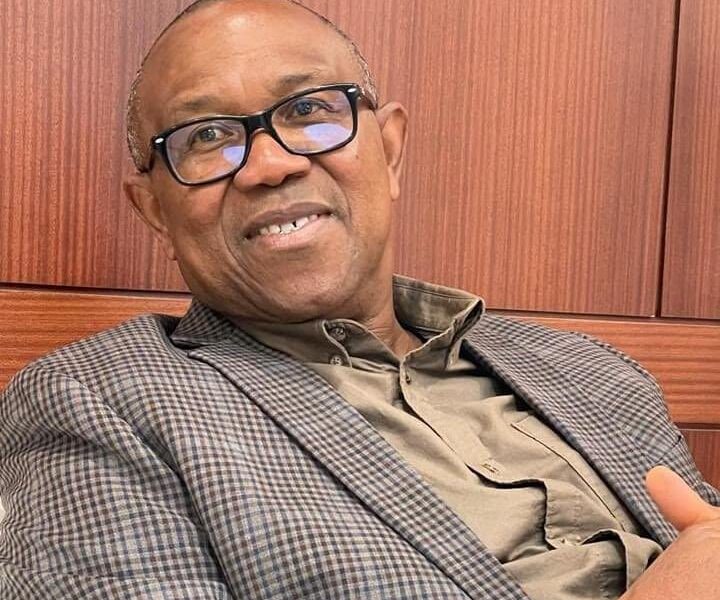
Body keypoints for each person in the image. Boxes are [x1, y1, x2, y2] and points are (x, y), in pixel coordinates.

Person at [0, 1, 718, 598]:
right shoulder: (97, 403)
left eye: (308, 109)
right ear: (155, 211)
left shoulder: (594, 371)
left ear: (390, 149)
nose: (271, 165)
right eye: (208, 136)